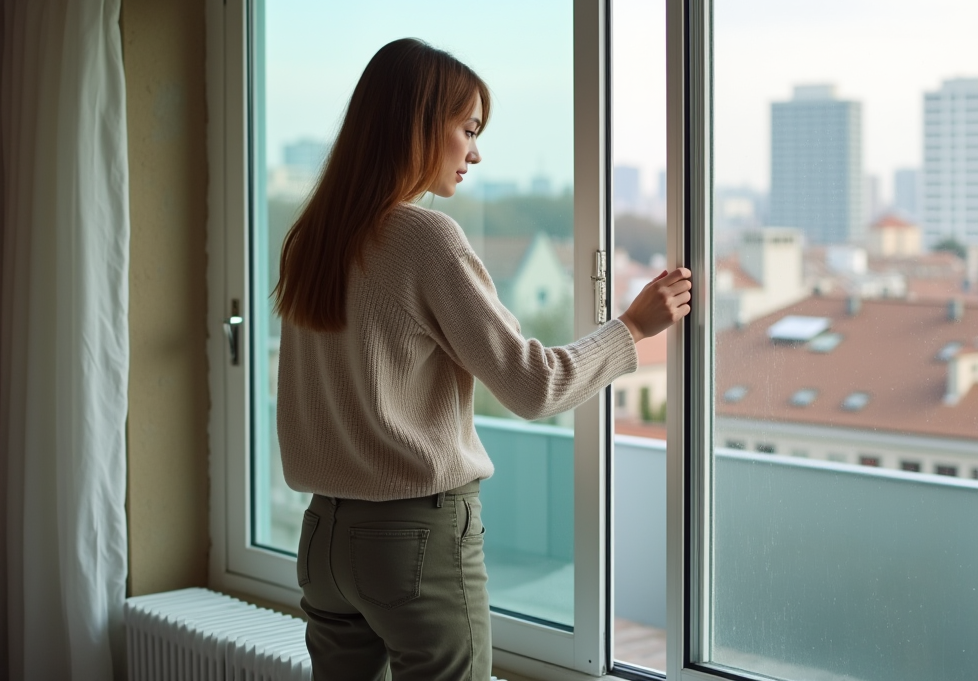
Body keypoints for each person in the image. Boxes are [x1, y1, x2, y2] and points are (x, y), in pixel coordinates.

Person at [274, 37, 691, 681]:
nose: (475, 151)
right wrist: (632, 327)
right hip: (412, 538)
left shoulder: (312, 240)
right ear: (415, 126)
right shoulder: (425, 238)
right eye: (467, 129)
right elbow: (533, 387)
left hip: (323, 539)